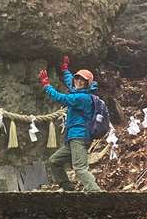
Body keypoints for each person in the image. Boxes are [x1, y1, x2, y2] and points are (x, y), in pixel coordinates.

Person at [38, 56, 102, 192]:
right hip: (73, 138)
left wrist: (47, 86)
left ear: (88, 84)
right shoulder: (80, 92)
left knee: (80, 168)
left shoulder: (82, 98)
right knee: (54, 161)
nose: (78, 81)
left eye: (83, 80)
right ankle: (68, 189)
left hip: (79, 137)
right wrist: (65, 70)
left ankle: (97, 193)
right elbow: (70, 82)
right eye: (77, 78)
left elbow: (61, 98)